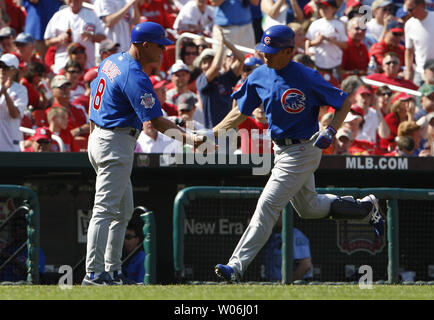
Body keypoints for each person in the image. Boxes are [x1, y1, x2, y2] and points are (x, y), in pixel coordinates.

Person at [212, 25, 384, 282]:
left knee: (267, 205)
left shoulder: (306, 76)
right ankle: (364, 208)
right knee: (309, 207)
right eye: (264, 49)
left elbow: (343, 101)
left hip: (303, 148)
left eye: (273, 51)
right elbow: (241, 111)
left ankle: (235, 267)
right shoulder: (260, 74)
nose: (266, 55)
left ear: (290, 51)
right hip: (280, 149)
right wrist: (214, 131)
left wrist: (332, 128)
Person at [82, 21, 205, 285]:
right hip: (115, 142)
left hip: (101, 136)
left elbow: (94, 102)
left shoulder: (112, 60)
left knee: (123, 211)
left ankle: (112, 271)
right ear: (145, 45)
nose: (163, 51)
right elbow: (157, 122)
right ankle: (93, 273)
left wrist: (94, 137)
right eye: (160, 46)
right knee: (104, 210)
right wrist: (191, 140)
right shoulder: (134, 75)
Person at [196, 27, 244, 129]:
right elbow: (216, 67)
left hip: (230, 129)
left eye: (210, 61)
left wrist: (225, 42)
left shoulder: (225, 78)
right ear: (201, 66)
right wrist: (220, 44)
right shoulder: (201, 80)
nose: (207, 65)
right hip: (213, 131)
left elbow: (241, 58)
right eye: (204, 62)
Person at [43, 0, 106, 74]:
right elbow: (47, 41)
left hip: (87, 66)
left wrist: (91, 36)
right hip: (64, 65)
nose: (73, 1)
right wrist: (59, 39)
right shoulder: (59, 16)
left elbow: (103, 38)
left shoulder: (92, 15)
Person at [305, 0, 347, 82]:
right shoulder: (315, 24)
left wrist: (335, 42)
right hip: (319, 63)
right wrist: (316, 42)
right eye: (321, 7)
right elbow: (306, 42)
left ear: (334, 9)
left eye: (326, 7)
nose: (323, 10)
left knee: (337, 86)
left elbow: (345, 45)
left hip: (335, 64)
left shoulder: (339, 24)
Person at [0, 53, 28, 152]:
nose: (2, 70)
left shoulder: (20, 90)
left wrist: (6, 94)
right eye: (0, 66)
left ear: (14, 71)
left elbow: (15, 114)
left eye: (6, 67)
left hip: (10, 146)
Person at [404, 0, 434, 86]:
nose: (409, 13)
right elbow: (409, 50)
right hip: (420, 72)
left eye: (411, 9)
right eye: (407, 10)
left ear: (422, 5)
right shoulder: (409, 24)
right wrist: (408, 71)